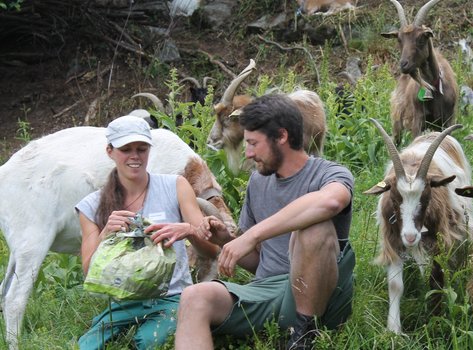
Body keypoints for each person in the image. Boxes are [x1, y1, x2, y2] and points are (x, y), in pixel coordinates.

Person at [175, 94, 356, 350]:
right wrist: (226, 240)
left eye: (253, 143)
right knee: (194, 297)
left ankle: (303, 339)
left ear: (281, 137)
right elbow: (260, 262)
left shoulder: (330, 173)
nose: (248, 153)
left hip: (321, 297)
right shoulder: (258, 182)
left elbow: (331, 202)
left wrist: (252, 235)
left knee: (313, 226)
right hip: (267, 292)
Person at [76, 115, 219, 350]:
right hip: (123, 301)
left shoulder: (175, 186)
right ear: (110, 151)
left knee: (149, 341)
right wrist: (105, 235)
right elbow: (88, 270)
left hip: (173, 296)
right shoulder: (91, 206)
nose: (135, 156)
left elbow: (211, 251)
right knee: (87, 346)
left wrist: (189, 231)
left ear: (150, 150)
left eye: (142, 149)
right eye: (126, 149)